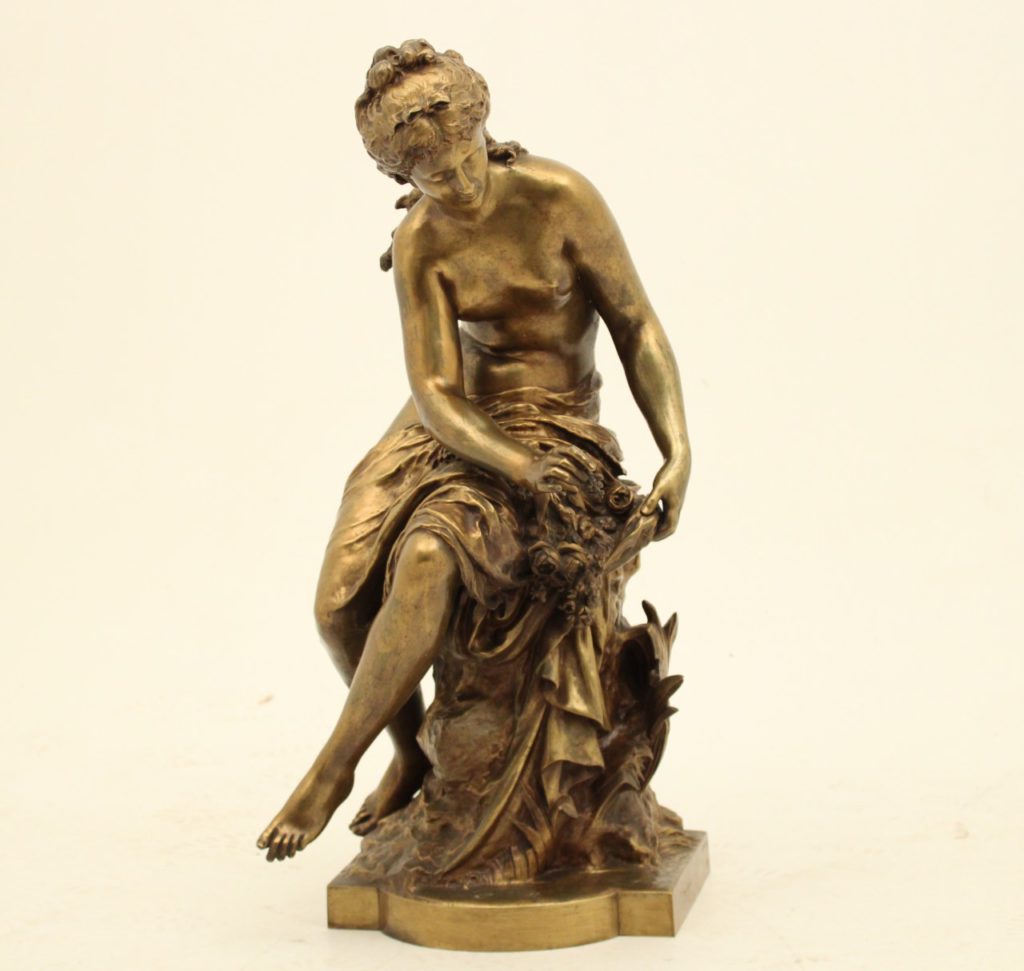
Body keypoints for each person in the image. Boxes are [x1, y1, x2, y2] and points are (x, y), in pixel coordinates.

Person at [257, 39, 691, 869]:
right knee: (337, 604)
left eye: (463, 161)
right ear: (401, 178)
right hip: (451, 421)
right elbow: (434, 389)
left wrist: (678, 450)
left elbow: (636, 325)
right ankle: (408, 750)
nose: (458, 186)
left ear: (483, 127)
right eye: (432, 178)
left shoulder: (561, 199)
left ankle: (330, 769)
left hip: (555, 422)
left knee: (429, 555)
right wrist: (510, 464)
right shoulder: (421, 241)